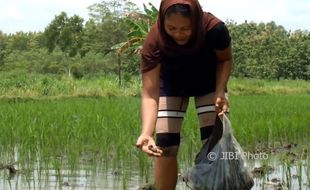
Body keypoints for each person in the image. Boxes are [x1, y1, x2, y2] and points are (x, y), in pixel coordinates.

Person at [135, 0, 233, 189]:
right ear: (162, 22)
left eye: (185, 28)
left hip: (209, 81)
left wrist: (221, 89)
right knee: (164, 145)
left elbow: (225, 59)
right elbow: (150, 93)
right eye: (171, 28)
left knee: (214, 144)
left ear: (196, 21)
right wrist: (147, 132)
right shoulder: (154, 41)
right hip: (172, 83)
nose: (178, 34)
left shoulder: (214, 29)